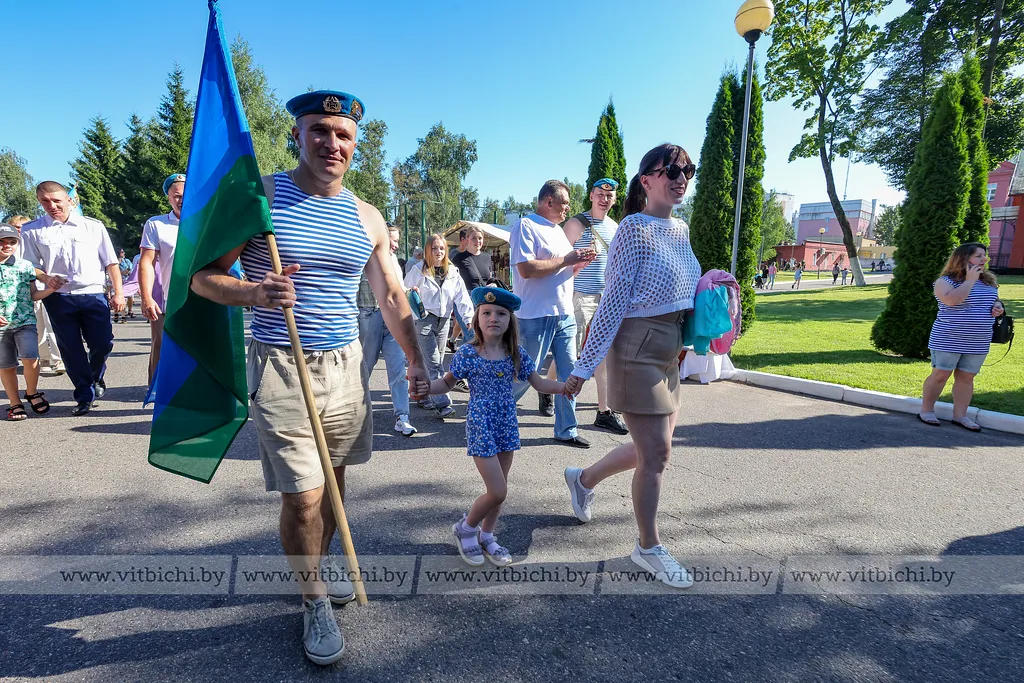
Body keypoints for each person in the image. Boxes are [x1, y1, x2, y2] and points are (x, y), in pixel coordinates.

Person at [190, 90, 430, 666]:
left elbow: (392, 294)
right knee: (305, 496)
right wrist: (253, 292)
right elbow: (201, 278)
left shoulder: (367, 214)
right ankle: (313, 597)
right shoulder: (260, 198)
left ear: (355, 145)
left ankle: (323, 560)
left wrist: (417, 361)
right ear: (297, 135)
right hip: (280, 362)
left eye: (343, 134)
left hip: (347, 364)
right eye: (319, 130)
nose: (332, 143)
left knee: (336, 480)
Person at [562, 143, 703, 589]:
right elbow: (613, 302)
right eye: (670, 171)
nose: (680, 178)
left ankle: (582, 479)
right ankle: (648, 546)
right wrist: (584, 368)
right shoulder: (633, 230)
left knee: (652, 450)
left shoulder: (679, 229)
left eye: (687, 171)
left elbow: (683, 287)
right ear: (646, 181)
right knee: (657, 454)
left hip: (671, 346)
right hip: (638, 346)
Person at [428, 286, 567, 566]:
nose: (494, 317)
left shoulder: (514, 353)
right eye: (487, 312)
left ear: (509, 321)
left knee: (500, 487)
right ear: (477, 319)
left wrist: (566, 387)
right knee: (498, 491)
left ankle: (487, 536)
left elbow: (539, 383)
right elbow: (445, 383)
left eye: (501, 313)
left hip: (506, 423)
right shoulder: (468, 354)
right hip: (481, 423)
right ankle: (466, 529)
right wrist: (423, 390)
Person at [20, 181, 125, 416]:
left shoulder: (92, 227)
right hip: (58, 297)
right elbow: (30, 266)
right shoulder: (32, 230)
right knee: (71, 348)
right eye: (45, 201)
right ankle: (84, 395)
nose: (52, 205)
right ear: (39, 201)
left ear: (69, 200)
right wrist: (46, 278)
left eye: (56, 200)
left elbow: (111, 262)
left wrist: (118, 292)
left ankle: (95, 377)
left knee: (102, 342)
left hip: (93, 293)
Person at [509, 180, 596, 448]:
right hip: (535, 315)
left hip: (564, 314)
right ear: (548, 201)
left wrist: (579, 264)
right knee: (525, 374)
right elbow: (526, 269)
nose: (568, 208)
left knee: (570, 372)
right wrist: (567, 260)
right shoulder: (526, 226)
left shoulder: (558, 231)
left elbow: (564, 272)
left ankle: (566, 429)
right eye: (564, 203)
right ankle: (490, 415)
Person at [560, 178, 628, 436]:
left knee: (604, 354)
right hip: (579, 296)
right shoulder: (576, 224)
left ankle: (605, 412)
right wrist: (577, 262)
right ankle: (552, 393)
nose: (604, 199)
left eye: (609, 196)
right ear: (591, 195)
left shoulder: (614, 226)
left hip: (606, 298)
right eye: (600, 194)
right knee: (571, 351)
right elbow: (560, 261)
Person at [918, 243, 1004, 432]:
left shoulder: (988, 281)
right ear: (963, 259)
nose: (984, 259)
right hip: (948, 337)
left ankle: (960, 416)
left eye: (984, 255)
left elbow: (992, 300)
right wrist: (970, 280)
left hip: (978, 339)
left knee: (967, 378)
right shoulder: (945, 281)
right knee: (940, 375)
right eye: (978, 256)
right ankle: (926, 410)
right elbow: (952, 300)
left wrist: (998, 307)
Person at [404, 233, 475, 417]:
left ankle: (424, 396)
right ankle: (443, 403)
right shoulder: (418, 270)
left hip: (444, 321)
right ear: (428, 250)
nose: (438, 252)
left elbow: (462, 297)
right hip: (424, 320)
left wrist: (468, 318)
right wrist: (412, 292)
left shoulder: (452, 271)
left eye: (442, 248)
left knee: (434, 362)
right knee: (435, 363)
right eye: (434, 248)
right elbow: (404, 291)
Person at [358, 222, 417, 436]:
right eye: (392, 240)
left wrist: (409, 291)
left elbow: (396, 290)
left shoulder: (393, 260)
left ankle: (402, 417)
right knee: (363, 368)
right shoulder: (362, 255)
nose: (394, 245)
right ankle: (355, 415)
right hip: (368, 315)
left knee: (398, 370)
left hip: (390, 320)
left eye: (397, 242)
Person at [0, 223, 62, 420]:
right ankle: (14, 403)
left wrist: (52, 288)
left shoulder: (25, 266)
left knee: (30, 357)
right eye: (1, 242)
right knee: (6, 365)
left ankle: (32, 392)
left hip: (24, 320)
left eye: (11, 242)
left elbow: (34, 294)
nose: (7, 246)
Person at [139, 173, 185, 385]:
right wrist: (147, 297)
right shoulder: (156, 224)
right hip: (169, 297)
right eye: (176, 195)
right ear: (168, 197)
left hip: (204, 297)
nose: (181, 199)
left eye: (186, 194)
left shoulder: (206, 221)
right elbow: (147, 262)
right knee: (161, 345)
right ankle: (157, 392)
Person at [8, 216, 63, 375]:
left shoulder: (38, 241)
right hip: (23, 294)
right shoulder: (10, 247)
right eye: (17, 227)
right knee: (36, 327)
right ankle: (43, 358)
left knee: (52, 325)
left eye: (23, 226)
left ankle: (58, 358)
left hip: (44, 288)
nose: (20, 230)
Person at [117, 250, 134, 322]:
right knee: (122, 298)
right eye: (122, 252)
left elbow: (131, 268)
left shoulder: (127, 261)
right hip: (119, 282)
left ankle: (130, 310)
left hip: (128, 280)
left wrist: (128, 271)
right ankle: (122, 316)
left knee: (131, 297)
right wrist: (123, 272)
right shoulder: (115, 262)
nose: (124, 253)